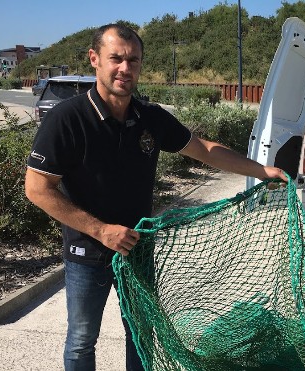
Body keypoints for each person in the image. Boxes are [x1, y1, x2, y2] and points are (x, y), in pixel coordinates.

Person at [24, 23, 287, 371]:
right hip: (86, 253)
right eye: (115, 58)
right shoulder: (67, 119)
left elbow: (204, 149)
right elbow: (37, 189)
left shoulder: (149, 117)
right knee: (82, 341)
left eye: (133, 60)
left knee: (142, 334)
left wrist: (261, 171)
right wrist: (102, 231)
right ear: (94, 59)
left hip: (139, 250)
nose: (125, 68)